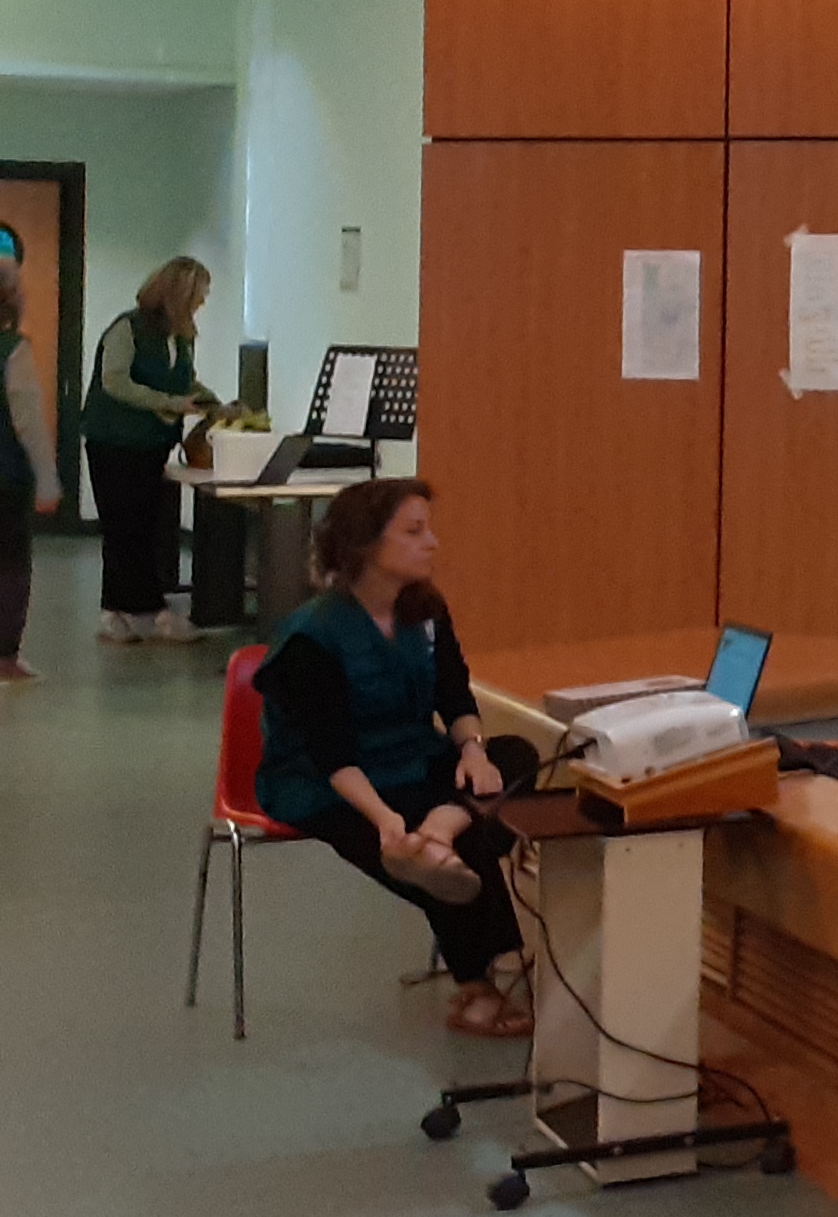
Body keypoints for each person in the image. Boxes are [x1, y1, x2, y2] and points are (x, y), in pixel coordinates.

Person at [253, 478, 537, 1037]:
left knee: (520, 757)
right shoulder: (311, 637)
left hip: (411, 760)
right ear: (364, 544)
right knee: (462, 842)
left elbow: (455, 696)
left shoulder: (425, 611)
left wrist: (473, 752)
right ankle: (479, 985)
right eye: (414, 531)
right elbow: (332, 756)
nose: (432, 542)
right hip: (325, 785)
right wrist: (385, 822)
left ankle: (439, 832)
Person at [83, 254, 220, 645]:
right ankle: (149, 612)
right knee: (124, 528)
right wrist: (172, 403)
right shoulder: (127, 328)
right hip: (115, 441)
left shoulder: (180, 337)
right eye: (199, 293)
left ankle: (119, 612)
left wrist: (211, 402)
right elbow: (115, 381)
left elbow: (183, 380)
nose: (203, 301)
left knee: (140, 529)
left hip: (152, 444)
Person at [1, 240, 53, 683]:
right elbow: (28, 423)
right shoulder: (12, 350)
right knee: (11, 565)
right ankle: (4, 657)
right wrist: (48, 480)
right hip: (7, 476)